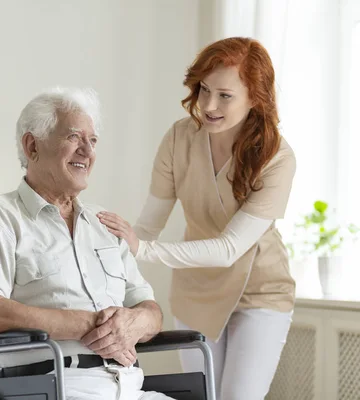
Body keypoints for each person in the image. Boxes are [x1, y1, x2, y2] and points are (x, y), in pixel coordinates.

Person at [97, 37, 296, 400]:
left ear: (256, 97)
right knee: (204, 396)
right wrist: (105, 260)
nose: (207, 105)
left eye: (225, 95)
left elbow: (228, 249)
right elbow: (148, 224)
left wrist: (143, 249)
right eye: (204, 89)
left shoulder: (276, 158)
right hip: (196, 292)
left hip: (260, 293)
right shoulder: (179, 139)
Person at [0, 87, 175, 400]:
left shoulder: (105, 223)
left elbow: (150, 309)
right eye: (74, 137)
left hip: (130, 388)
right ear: (32, 146)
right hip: (54, 386)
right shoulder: (1, 216)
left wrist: (134, 322)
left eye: (93, 140)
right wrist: (89, 324)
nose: (87, 151)